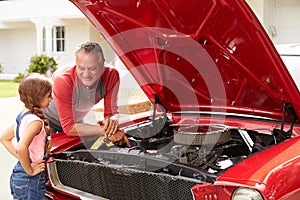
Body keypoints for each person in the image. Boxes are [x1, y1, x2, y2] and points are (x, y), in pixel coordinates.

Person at [43, 41, 131, 147]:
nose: (86, 75)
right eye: (81, 68)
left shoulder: (111, 75)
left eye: (92, 69)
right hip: (47, 118)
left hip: (75, 120)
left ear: (103, 63)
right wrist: (104, 130)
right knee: (42, 156)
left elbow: (110, 113)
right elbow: (69, 128)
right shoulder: (63, 79)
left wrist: (111, 129)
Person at [0, 73, 52, 200]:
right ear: (37, 98)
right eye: (48, 96)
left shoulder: (22, 116)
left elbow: (4, 138)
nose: (51, 98)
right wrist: (30, 169)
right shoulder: (35, 122)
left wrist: (24, 159)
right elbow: (22, 147)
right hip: (30, 180)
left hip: (19, 176)